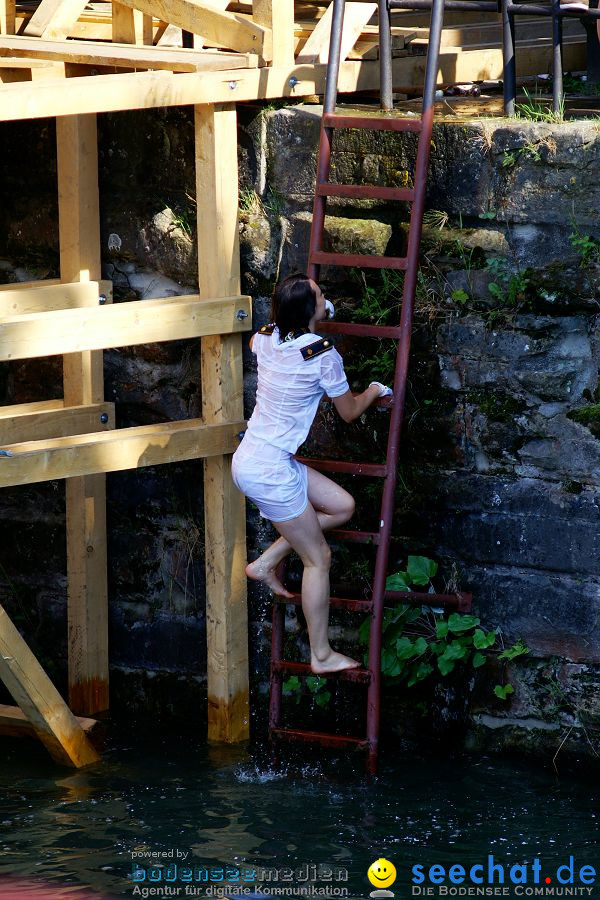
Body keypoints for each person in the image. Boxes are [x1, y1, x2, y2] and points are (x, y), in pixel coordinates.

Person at [231, 273, 393, 675]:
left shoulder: (264, 337)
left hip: (258, 458)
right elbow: (350, 412)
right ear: (308, 311)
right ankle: (320, 655)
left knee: (342, 506)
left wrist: (313, 315)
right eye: (320, 295)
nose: (325, 295)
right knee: (318, 557)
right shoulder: (322, 356)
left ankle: (264, 563)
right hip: (271, 472)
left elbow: (284, 334)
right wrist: (375, 390)